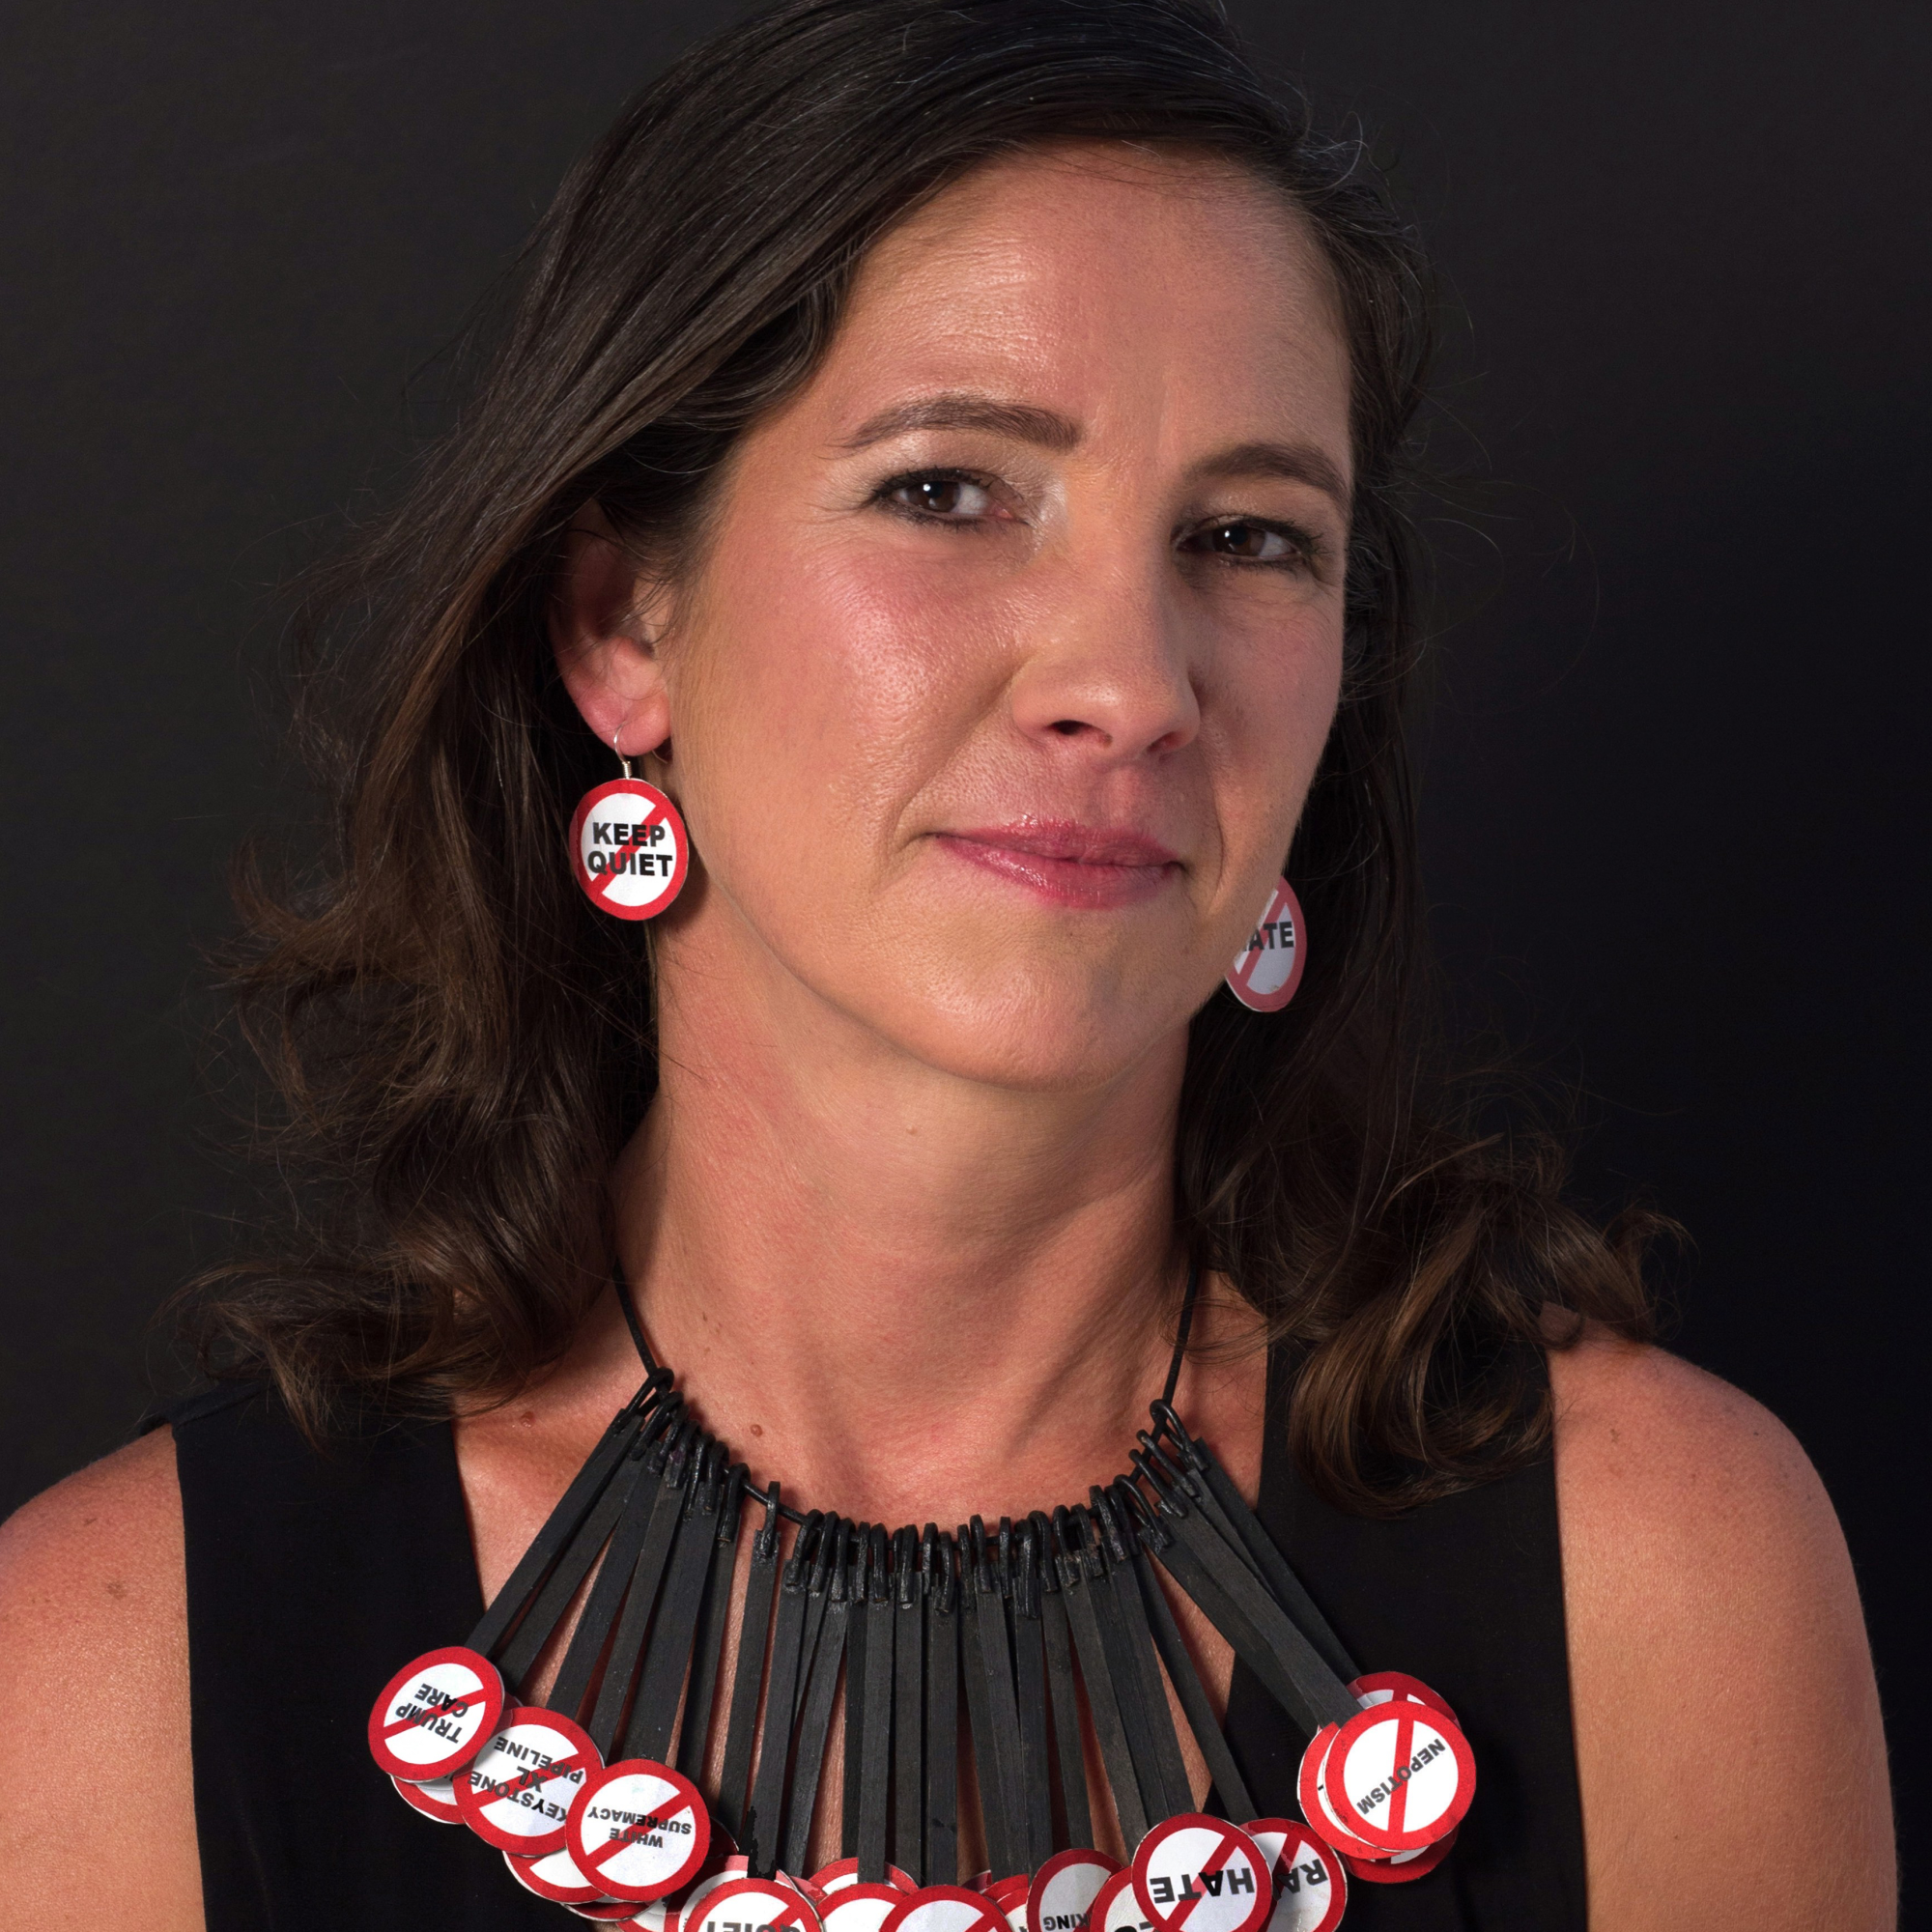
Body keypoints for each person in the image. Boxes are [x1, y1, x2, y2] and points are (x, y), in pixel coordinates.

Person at [0, 1, 1893, 1926]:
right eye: (946, 491)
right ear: (620, 623)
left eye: (1248, 535)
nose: (1129, 684)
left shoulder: (1649, 1577)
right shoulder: (109, 1683)